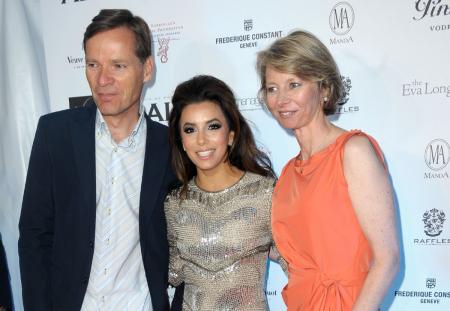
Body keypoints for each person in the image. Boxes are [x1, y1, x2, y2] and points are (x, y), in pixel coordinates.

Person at [19, 9, 181, 311]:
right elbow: (34, 236)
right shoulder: (55, 135)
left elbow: (187, 242)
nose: (102, 79)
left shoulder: (171, 146)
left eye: (118, 66)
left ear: (147, 69)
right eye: (93, 64)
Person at [256, 30, 400, 311]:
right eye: (272, 88)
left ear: (323, 89)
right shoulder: (287, 175)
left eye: (293, 84)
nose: (281, 98)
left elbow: (388, 259)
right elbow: (293, 256)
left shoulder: (353, 151)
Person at [165, 75, 279, 310]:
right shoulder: (174, 204)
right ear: (181, 140)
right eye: (190, 129)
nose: (201, 140)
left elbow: (301, 268)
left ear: (231, 134)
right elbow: (171, 275)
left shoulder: (265, 193)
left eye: (213, 126)